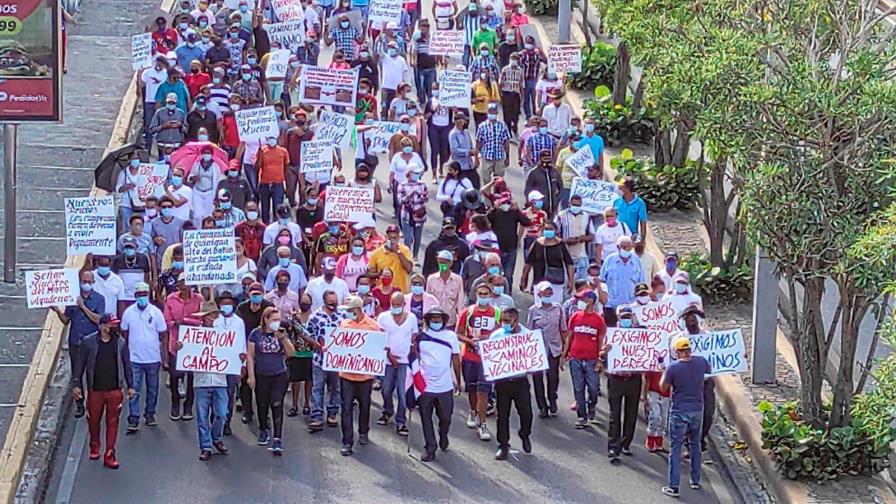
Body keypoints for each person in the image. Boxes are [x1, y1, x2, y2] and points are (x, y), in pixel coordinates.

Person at [72, 314, 134, 470]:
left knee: (113, 423)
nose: (114, 328)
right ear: (103, 326)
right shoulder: (88, 342)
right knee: (93, 420)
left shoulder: (120, 343)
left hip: (114, 390)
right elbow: (80, 365)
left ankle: (110, 453)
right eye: (111, 325)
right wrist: (77, 384)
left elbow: (127, 365)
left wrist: (131, 386)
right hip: (96, 390)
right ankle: (94, 444)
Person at [661, 336, 712, 498]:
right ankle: (695, 480)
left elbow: (663, 387)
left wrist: (664, 371)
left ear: (676, 352)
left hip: (679, 412)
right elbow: (709, 375)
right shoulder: (701, 362)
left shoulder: (673, 368)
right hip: (697, 410)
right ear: (689, 350)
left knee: (675, 448)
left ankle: (673, 486)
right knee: (695, 444)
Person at [410, 308, 461, 462]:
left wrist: (459, 381)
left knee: (446, 417)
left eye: (439, 319)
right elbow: (414, 358)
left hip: (445, 386)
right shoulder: (420, 337)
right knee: (425, 418)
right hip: (425, 387)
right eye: (433, 319)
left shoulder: (451, 337)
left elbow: (456, 359)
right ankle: (430, 447)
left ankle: (443, 434)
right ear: (428, 320)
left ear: (444, 321)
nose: (436, 322)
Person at [52, 271, 104, 418]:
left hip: (92, 344)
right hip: (76, 343)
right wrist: (57, 311)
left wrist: (83, 307)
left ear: (93, 283)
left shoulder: (99, 299)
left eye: (89, 281)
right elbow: (66, 320)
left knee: (92, 375)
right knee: (77, 375)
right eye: (83, 281)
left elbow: (97, 319)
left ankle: (93, 404)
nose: (86, 284)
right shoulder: (72, 299)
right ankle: (79, 404)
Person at [186, 300, 232, 460]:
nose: (212, 318)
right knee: (202, 416)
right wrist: (181, 348)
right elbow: (187, 357)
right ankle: (206, 446)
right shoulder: (193, 335)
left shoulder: (224, 333)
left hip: (220, 380)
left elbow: (231, 353)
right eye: (209, 315)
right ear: (203, 317)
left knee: (222, 413)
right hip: (201, 381)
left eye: (214, 315)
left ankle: (216, 438)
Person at [455, 283, 501, 441]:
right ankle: (473, 411)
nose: (483, 296)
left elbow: (503, 331)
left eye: (486, 293)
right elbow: (458, 333)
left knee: (484, 391)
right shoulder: (467, 313)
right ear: (476, 294)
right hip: (470, 356)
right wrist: (469, 341)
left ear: (490, 294)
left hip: (488, 358)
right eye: (480, 293)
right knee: (472, 389)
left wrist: (490, 338)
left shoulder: (496, 312)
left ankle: (482, 423)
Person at [247, 307, 295, 455]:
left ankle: (277, 438)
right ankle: (263, 429)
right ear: (266, 319)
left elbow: (291, 353)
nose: (276, 322)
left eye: (278, 319)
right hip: (262, 374)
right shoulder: (255, 334)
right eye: (274, 320)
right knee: (262, 404)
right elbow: (250, 356)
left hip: (279, 374)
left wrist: (283, 339)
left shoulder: (281, 333)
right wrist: (251, 376)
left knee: (277, 403)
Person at [337, 296, 381, 456]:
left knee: (364, 406)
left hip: (365, 377)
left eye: (350, 310)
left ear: (358, 309)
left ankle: (363, 431)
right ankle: (347, 442)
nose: (348, 313)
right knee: (346, 408)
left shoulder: (373, 326)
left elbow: (377, 350)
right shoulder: (344, 324)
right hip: (346, 375)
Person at [120, 282, 167, 433]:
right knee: (134, 389)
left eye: (144, 295)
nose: (142, 297)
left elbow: (163, 334)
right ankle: (133, 418)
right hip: (134, 359)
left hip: (153, 358)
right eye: (139, 295)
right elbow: (124, 333)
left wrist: (164, 357)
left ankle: (150, 414)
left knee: (153, 389)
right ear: (135, 296)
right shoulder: (128, 313)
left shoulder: (156, 313)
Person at [490, 307, 533, 460]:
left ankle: (524, 433)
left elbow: (534, 357)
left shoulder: (527, 335)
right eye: (502, 320)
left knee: (526, 413)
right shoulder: (496, 336)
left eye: (507, 321)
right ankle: (503, 445)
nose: (504, 323)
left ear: (516, 319)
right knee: (502, 415)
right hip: (502, 382)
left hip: (520, 381)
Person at [603, 305, 643, 462]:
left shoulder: (639, 335)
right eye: (623, 317)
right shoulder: (611, 335)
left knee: (631, 414)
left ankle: (625, 443)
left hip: (633, 379)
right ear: (618, 318)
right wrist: (605, 351)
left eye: (628, 317)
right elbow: (601, 353)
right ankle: (613, 448)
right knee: (615, 415)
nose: (625, 320)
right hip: (616, 379)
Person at [562, 289, 605, 428]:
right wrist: (564, 354)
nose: (580, 302)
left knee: (593, 388)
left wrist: (600, 359)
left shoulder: (598, 320)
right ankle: (582, 416)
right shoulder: (575, 317)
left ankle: (592, 405)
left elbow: (601, 340)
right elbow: (570, 336)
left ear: (591, 300)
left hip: (592, 359)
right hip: (576, 358)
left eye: (583, 299)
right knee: (578, 388)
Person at [162, 274, 203, 421]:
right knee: (175, 375)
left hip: (193, 344)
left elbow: (201, 320)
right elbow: (167, 321)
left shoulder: (199, 299)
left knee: (192, 377)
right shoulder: (171, 299)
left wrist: (184, 321)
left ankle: (188, 406)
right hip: (176, 343)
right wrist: (176, 323)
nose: (184, 284)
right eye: (181, 282)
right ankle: (175, 402)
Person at [376, 293, 417, 435]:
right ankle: (387, 410)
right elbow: (379, 338)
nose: (395, 307)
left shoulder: (411, 318)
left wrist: (412, 353)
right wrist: (389, 355)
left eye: (398, 305)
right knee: (386, 389)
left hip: (404, 362)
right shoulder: (383, 318)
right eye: (393, 304)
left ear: (403, 305)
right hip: (387, 361)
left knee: (402, 392)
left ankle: (401, 421)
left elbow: (414, 336)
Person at [527, 281, 566, 418]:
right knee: (537, 378)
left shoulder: (558, 308)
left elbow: (563, 328)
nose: (548, 295)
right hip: (538, 348)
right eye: (545, 293)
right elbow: (529, 331)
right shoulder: (533, 310)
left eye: (550, 293)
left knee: (553, 376)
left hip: (554, 347)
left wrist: (564, 350)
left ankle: (552, 397)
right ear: (539, 294)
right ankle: (542, 406)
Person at [520, 221, 574, 303]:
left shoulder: (561, 244)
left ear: (555, 230)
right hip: (539, 280)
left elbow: (569, 264)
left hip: (556, 281)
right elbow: (528, 263)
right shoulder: (537, 243)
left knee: (555, 305)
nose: (548, 231)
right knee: (539, 306)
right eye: (546, 229)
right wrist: (524, 278)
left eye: (550, 229)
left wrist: (571, 281)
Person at [487, 193, 531, 293]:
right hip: (498, 249)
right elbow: (485, 220)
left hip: (511, 248)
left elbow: (527, 222)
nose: (506, 204)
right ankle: (492, 293)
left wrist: (517, 210)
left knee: (508, 275)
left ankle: (508, 295)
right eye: (504, 203)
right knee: (495, 274)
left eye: (508, 202)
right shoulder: (495, 213)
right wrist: (493, 208)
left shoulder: (514, 213)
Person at [599, 235, 645, 327]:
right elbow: (602, 281)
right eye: (624, 247)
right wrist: (604, 300)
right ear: (617, 247)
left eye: (629, 247)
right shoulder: (609, 260)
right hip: (611, 306)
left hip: (631, 306)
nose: (626, 250)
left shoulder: (637, 261)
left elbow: (641, 283)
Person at [285, 293, 315, 417]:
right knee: (295, 380)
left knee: (309, 380)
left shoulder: (315, 317)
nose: (304, 304)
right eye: (302, 302)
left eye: (307, 302)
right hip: (296, 352)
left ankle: (307, 404)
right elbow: (289, 333)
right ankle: (294, 405)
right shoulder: (294, 317)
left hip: (311, 352)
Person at [555, 194, 595, 280]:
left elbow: (592, 235)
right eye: (574, 205)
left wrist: (583, 238)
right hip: (565, 256)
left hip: (582, 256)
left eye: (578, 205)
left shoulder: (586, 216)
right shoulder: (561, 216)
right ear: (569, 204)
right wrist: (566, 241)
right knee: (566, 284)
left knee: (582, 284)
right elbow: (554, 236)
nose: (576, 207)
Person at [368, 225, 414, 293]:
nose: (392, 240)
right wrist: (379, 274)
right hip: (383, 293)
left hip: (400, 292)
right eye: (390, 238)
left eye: (394, 238)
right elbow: (369, 273)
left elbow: (409, 269)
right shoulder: (376, 253)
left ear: (398, 238)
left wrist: (398, 252)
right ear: (386, 237)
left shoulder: (405, 250)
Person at [397, 164, 430, 258]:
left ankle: (415, 256)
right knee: (408, 238)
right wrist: (410, 195)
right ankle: (407, 256)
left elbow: (426, 199)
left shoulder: (422, 184)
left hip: (419, 214)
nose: (417, 175)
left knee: (418, 236)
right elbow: (400, 201)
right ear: (409, 173)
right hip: (407, 214)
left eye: (418, 173)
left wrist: (424, 196)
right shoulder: (402, 185)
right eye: (415, 173)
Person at [426, 250, 465, 325]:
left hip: (450, 320)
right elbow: (428, 299)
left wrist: (460, 318)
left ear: (450, 263)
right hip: (434, 320)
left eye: (444, 263)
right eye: (440, 262)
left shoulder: (458, 280)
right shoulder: (431, 279)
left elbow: (460, 301)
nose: (442, 265)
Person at [475, 102, 511, 182]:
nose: (492, 113)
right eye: (490, 111)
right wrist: (476, 158)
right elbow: (478, 142)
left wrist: (507, 157)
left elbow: (506, 142)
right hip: (486, 156)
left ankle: (497, 194)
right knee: (486, 180)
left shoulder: (503, 125)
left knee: (499, 181)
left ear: (497, 112)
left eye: (493, 111)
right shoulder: (482, 126)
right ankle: (487, 194)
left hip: (499, 156)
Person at [524, 150, 562, 217]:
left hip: (553, 209)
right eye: (545, 158)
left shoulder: (555, 172)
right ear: (540, 159)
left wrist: (557, 199)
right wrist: (530, 204)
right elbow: (528, 190)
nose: (547, 161)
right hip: (539, 208)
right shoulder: (534, 173)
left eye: (549, 158)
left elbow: (561, 188)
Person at [449, 114, 478, 188]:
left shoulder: (466, 132)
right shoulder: (453, 134)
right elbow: (454, 150)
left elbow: (471, 146)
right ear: (457, 122)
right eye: (462, 121)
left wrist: (475, 155)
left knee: (476, 185)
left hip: (470, 165)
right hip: (461, 167)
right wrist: (468, 152)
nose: (465, 122)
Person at [499, 52, 523, 137]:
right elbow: (500, 83)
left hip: (515, 94)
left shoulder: (520, 71)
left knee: (515, 114)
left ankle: (515, 124)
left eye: (515, 59)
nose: (513, 61)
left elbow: (521, 85)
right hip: (506, 94)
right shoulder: (505, 70)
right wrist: (500, 96)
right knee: (507, 115)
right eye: (512, 59)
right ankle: (508, 131)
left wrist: (522, 98)